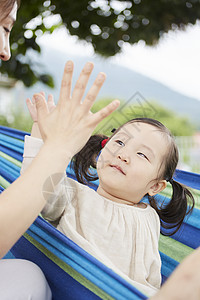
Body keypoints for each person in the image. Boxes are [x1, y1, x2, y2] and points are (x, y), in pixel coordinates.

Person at [22, 58, 195, 297]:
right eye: (120, 142)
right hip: (76, 286)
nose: (123, 154)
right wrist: (40, 135)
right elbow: (34, 190)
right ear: (100, 154)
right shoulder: (73, 195)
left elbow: (152, 277)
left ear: (156, 186)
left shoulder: (150, 220)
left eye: (142, 155)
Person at [0, 1, 119, 298]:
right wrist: (58, 147)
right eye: (3, 28)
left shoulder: (150, 219)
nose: (6, 50)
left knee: (26, 276)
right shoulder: (76, 196)